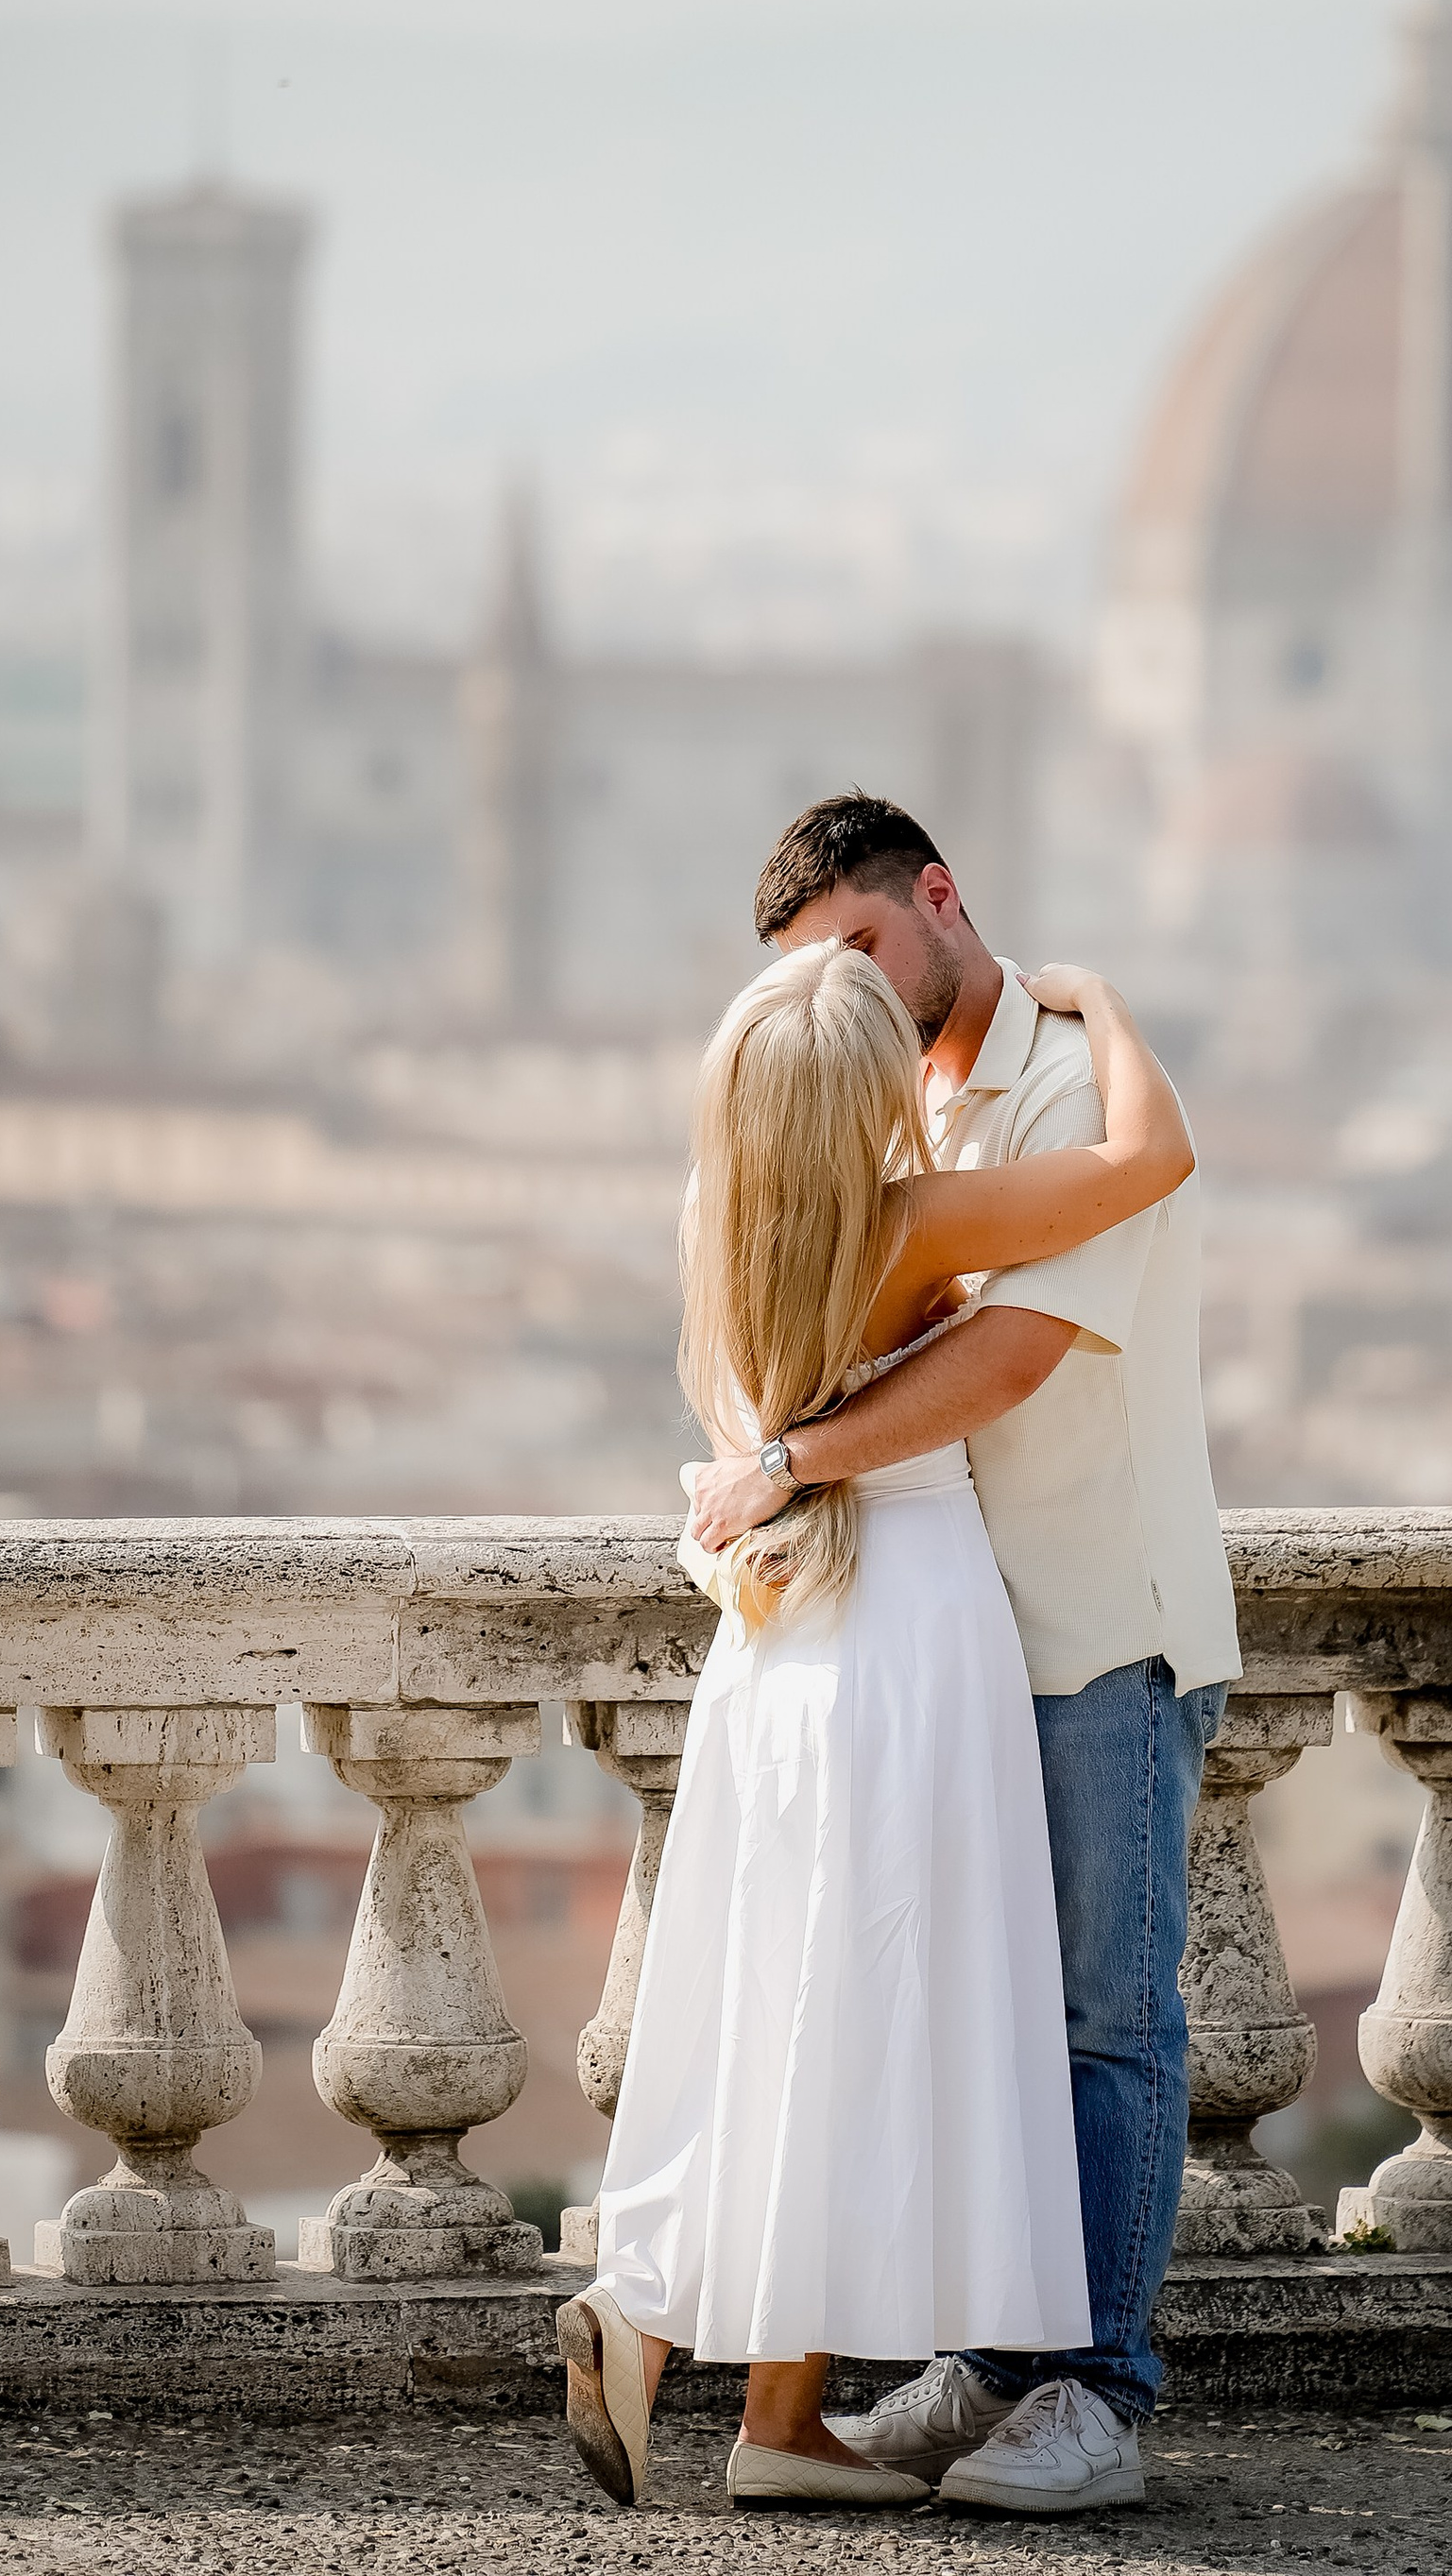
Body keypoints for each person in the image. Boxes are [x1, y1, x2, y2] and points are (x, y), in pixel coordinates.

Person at [555, 923, 1196, 2515]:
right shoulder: (908, 1222)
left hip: (776, 1656)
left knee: (792, 2003)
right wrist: (1105, 1001)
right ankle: (708, 2360)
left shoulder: (712, 1222)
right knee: (874, 2012)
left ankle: (750, 2394)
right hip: (909, 1630)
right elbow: (1145, 1161)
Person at [685, 793, 1240, 2516]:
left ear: (938, 896)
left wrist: (786, 1463)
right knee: (989, 2018)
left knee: (1103, 2018)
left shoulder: (1068, 1087)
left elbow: (1014, 1357)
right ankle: (1002, 2366)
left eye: (858, 947)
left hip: (1096, 1622)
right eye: (813, 974)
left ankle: (1098, 2393)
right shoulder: (887, 1097)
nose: (844, 991)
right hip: (958, 1643)